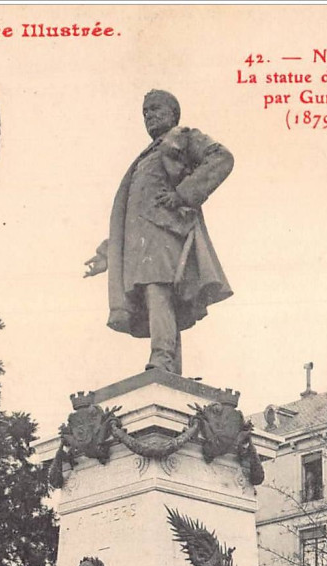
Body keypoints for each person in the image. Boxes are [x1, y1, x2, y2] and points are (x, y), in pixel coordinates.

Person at [84, 90, 234, 376]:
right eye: (145, 112)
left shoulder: (182, 137)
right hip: (143, 242)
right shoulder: (144, 158)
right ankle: (168, 366)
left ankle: (163, 359)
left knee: (159, 290)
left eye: (155, 109)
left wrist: (183, 194)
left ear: (173, 113)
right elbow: (132, 214)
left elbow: (222, 158)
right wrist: (108, 255)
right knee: (154, 298)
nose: (149, 116)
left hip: (167, 235)